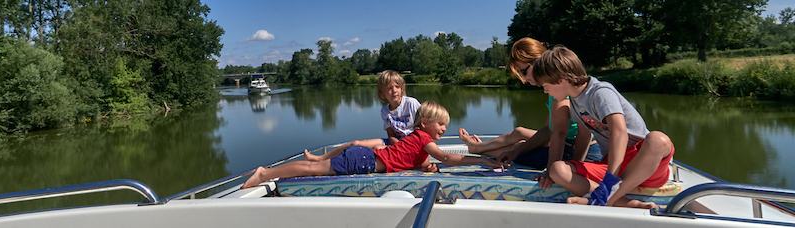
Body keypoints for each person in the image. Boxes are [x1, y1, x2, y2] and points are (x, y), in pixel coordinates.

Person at [241, 101, 506, 189]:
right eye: (440, 125)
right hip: (364, 161)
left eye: (446, 125)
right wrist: (482, 160)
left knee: (315, 169)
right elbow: (447, 158)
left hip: (366, 156)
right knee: (313, 170)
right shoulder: (424, 139)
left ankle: (267, 173)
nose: (444, 129)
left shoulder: (418, 139)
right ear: (425, 123)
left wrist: (426, 167)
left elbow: (422, 161)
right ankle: (265, 173)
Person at [531, 46, 674, 209]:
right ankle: (622, 201)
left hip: (643, 163)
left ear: (561, 80)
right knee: (557, 169)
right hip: (612, 163)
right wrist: (575, 167)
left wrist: (610, 178)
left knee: (658, 139)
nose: (545, 91)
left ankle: (606, 196)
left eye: (545, 85)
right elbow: (583, 136)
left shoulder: (600, 92)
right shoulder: (575, 101)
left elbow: (619, 132)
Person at [458, 37, 601, 186]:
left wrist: (550, 172)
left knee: (520, 151)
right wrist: (517, 150)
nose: (524, 78)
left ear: (537, 60)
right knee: (519, 146)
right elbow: (548, 130)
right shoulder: (556, 87)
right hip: (572, 147)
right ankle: (478, 149)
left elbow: (559, 132)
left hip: (580, 152)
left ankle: (479, 151)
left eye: (524, 71)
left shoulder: (560, 88)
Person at [304, 70, 422, 162]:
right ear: (382, 93)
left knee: (378, 149)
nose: (394, 91)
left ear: (402, 88)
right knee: (355, 143)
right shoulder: (385, 111)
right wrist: (399, 146)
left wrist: (409, 146)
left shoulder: (411, 103)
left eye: (397, 87)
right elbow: (391, 135)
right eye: (389, 88)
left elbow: (424, 127)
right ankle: (321, 159)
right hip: (396, 143)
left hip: (413, 143)